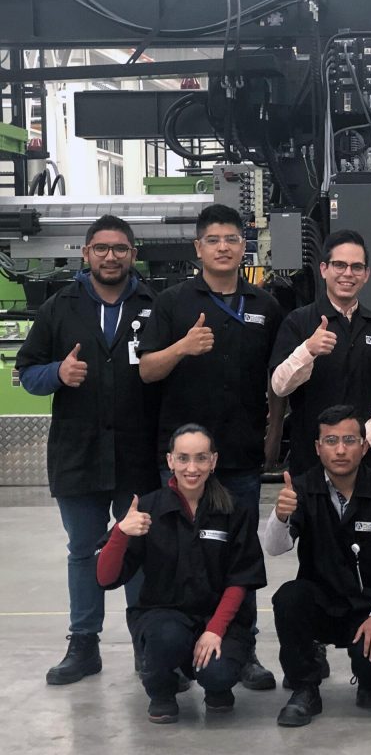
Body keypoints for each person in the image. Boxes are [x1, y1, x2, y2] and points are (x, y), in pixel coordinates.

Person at [138, 203, 284, 690]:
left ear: (245, 247)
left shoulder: (264, 305)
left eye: (233, 239)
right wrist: (182, 347)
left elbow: (278, 381)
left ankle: (242, 651)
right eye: (215, 240)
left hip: (240, 456)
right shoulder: (172, 302)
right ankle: (173, 653)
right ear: (198, 248)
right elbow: (146, 370)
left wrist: (274, 434)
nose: (225, 247)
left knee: (237, 557)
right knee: (175, 558)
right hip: (183, 463)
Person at [16, 214, 160, 685]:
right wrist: (57, 373)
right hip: (78, 450)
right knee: (83, 550)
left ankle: (145, 642)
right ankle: (84, 645)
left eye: (120, 248)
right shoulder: (60, 307)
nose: (111, 256)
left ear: (133, 254)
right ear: (85, 253)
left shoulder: (155, 304)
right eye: (101, 248)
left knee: (138, 545)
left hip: (137, 452)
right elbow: (28, 372)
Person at [96, 424, 267, 724]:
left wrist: (214, 630)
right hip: (163, 615)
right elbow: (106, 578)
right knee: (166, 639)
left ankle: (217, 686)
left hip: (219, 620)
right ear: (170, 461)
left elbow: (241, 579)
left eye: (201, 458)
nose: (192, 468)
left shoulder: (234, 510)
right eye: (183, 458)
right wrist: (121, 533)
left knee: (218, 672)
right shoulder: (146, 509)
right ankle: (161, 691)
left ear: (213, 461)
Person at [263, 405, 371, 727]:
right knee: (289, 597)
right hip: (322, 602)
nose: (340, 449)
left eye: (349, 440)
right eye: (331, 441)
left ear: (364, 445)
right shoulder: (302, 490)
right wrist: (280, 516)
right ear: (318, 448)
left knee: (369, 664)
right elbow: (275, 548)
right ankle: (305, 689)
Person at [270, 229, 371, 477]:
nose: (347, 273)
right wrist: (308, 350)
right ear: (324, 269)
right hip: (312, 463)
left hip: (369, 460)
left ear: (366, 275)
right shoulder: (299, 322)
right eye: (339, 265)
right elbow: (280, 386)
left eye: (356, 267)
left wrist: (363, 438)